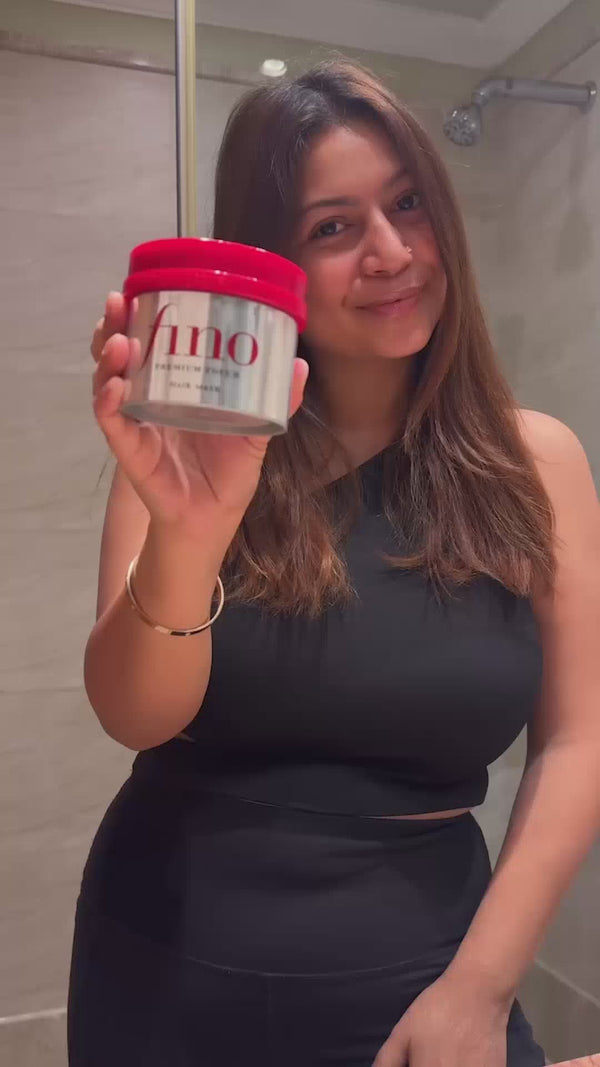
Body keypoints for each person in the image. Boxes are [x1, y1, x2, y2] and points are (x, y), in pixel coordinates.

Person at [68, 60, 600, 1067]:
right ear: (275, 261)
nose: (392, 252)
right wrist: (190, 529)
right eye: (333, 226)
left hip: (426, 973)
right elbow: (136, 715)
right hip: (165, 964)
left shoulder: (537, 462)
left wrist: (482, 990)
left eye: (408, 204)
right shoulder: (189, 443)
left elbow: (579, 739)